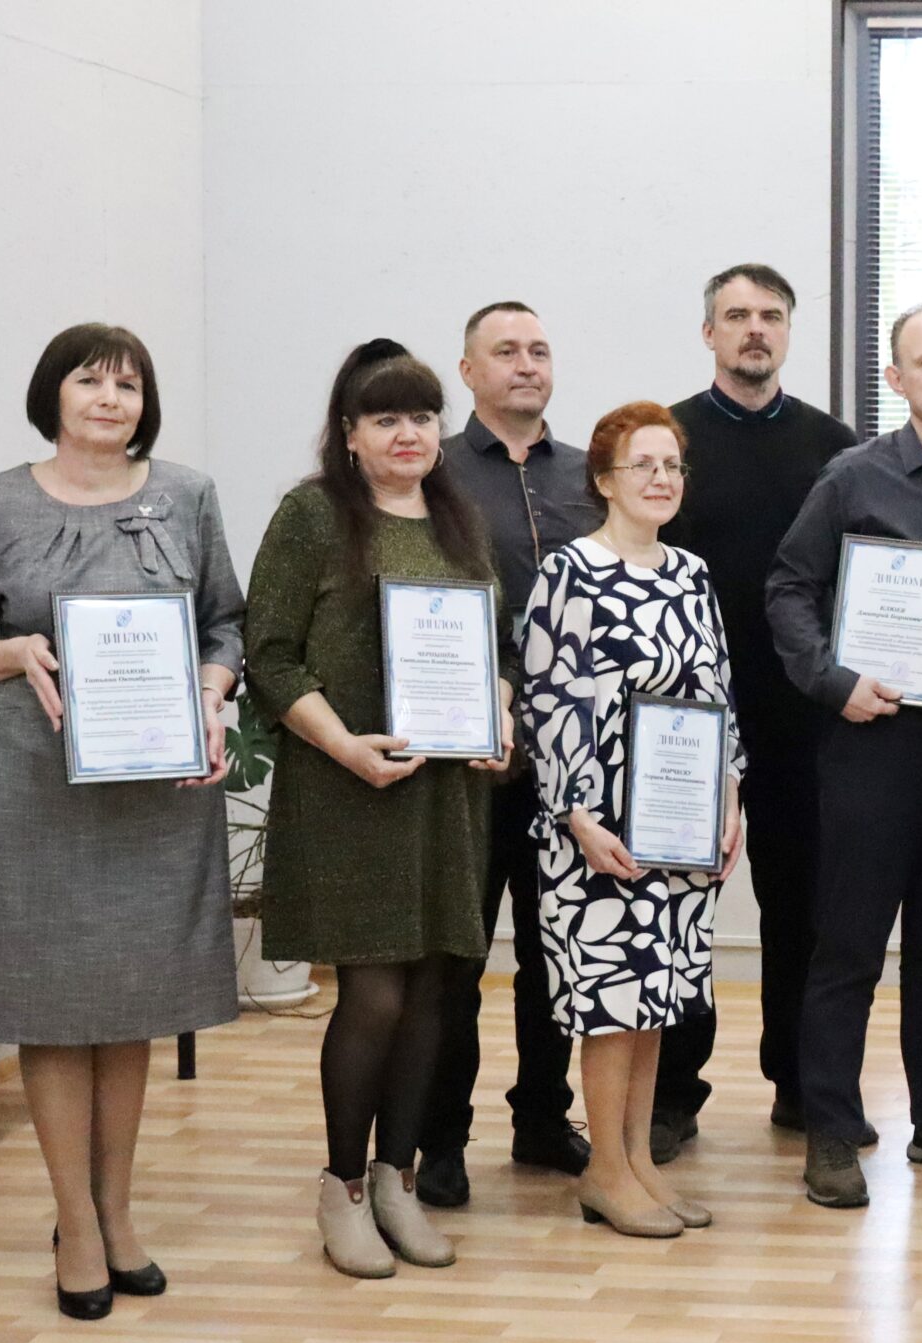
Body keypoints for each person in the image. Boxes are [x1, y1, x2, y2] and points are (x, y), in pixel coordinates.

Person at [0, 324, 242, 1320]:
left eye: (129, 382)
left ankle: (117, 1210)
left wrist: (214, 691)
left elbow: (224, 620)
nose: (110, 397)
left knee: (131, 1003)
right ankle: (74, 1220)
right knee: (57, 1009)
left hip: (155, 788)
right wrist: (13, 654)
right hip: (37, 784)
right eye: (89, 380)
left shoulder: (184, 493)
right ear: (51, 393)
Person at [246, 339, 516, 1279]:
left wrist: (500, 719)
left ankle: (398, 1178)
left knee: (441, 985)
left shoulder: (458, 520)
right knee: (374, 992)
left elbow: (496, 650)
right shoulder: (314, 515)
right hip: (349, 788)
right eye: (386, 418)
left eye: (423, 416)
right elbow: (271, 657)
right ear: (351, 435)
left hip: (446, 795)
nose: (409, 433)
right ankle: (343, 1187)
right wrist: (346, 745)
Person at [764, 303, 922, 1207]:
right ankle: (831, 1127)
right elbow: (790, 586)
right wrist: (833, 680)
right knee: (849, 945)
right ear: (895, 381)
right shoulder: (852, 479)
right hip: (873, 740)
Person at [521, 401, 744, 1238]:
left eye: (672, 466)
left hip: (680, 824)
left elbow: (718, 692)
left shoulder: (690, 572)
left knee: (655, 1000)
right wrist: (577, 814)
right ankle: (605, 1172)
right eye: (643, 465)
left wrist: (731, 794)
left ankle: (641, 1161)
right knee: (611, 1002)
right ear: (604, 480)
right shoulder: (570, 572)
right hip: (600, 829)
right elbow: (548, 703)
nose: (661, 479)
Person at [657, 263, 860, 1158]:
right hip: (684, 718)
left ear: (789, 331)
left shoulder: (838, 446)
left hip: (802, 719)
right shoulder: (666, 441)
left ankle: (799, 1083)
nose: (754, 330)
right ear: (708, 333)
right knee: (675, 913)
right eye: (736, 315)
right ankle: (670, 1094)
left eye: (770, 316)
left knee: (803, 911)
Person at [416, 302, 599, 1209]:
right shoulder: (435, 471)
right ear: (467, 370)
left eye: (539, 348)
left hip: (570, 761)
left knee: (555, 951)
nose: (526, 364)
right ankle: (442, 1137)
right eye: (506, 351)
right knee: (457, 957)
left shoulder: (587, 475)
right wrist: (495, 702)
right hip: (468, 758)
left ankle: (541, 1119)